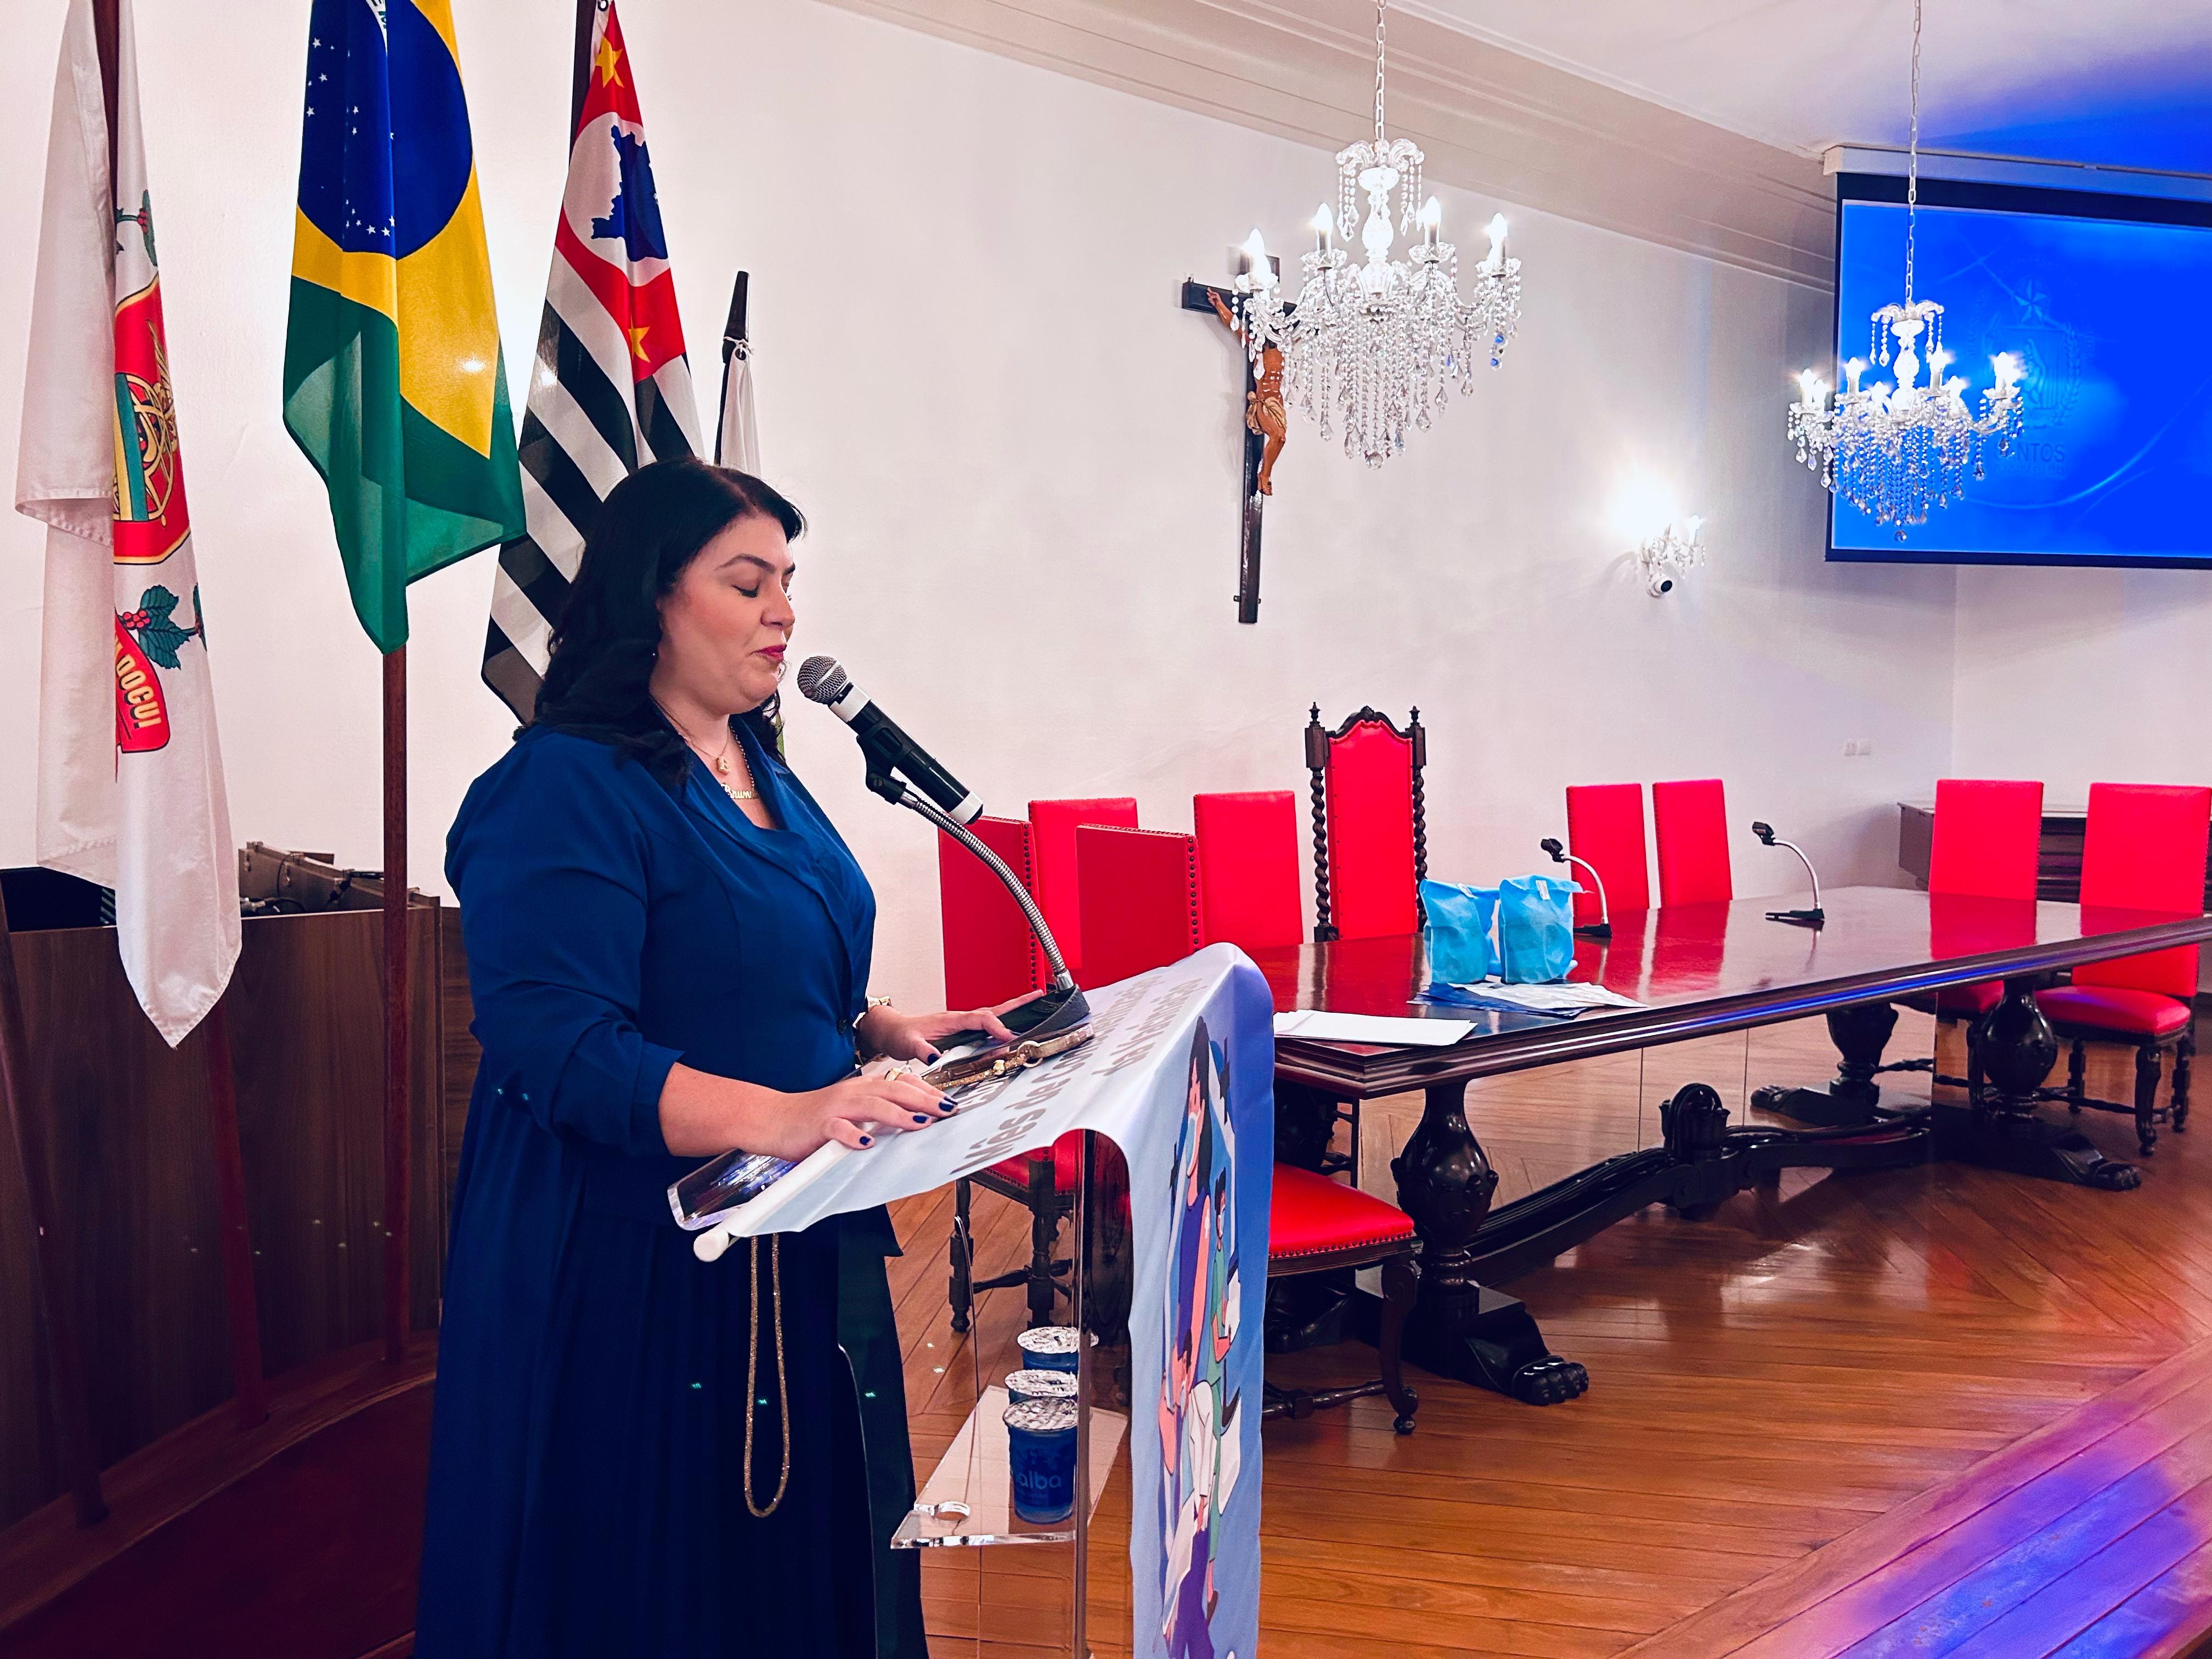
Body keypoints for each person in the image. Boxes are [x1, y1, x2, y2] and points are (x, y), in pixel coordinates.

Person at [416, 458, 1032, 1657]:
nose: (783, 612)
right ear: (654, 596)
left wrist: (878, 1029)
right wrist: (790, 1114)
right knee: (665, 1579)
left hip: (796, 1227)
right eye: (748, 584)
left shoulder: (757, 763)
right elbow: (563, 1048)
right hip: (635, 1269)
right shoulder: (559, 787)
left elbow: (750, 960)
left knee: (804, 1564)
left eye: (789, 583)